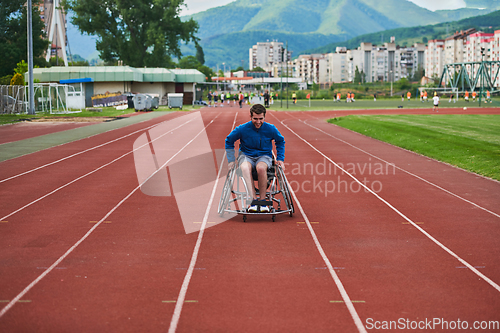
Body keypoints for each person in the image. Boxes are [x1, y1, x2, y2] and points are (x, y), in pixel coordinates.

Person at [225, 104, 285, 213]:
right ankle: (253, 200)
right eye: (255, 119)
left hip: (264, 156)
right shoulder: (242, 128)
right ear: (250, 117)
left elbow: (280, 141)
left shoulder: (270, 129)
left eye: (261, 119)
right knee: (245, 168)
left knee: (261, 169)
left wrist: (280, 158)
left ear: (264, 117)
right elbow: (229, 141)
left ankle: (262, 202)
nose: (258, 122)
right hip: (246, 155)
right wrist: (231, 160)